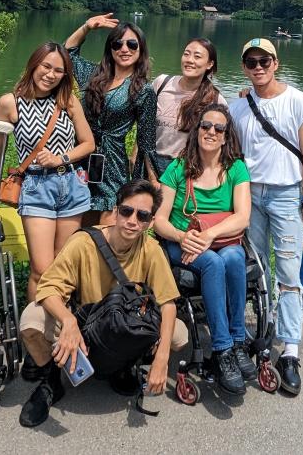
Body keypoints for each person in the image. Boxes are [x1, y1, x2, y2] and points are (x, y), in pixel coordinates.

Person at [18, 180, 188, 428]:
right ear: (116, 210)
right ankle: (51, 379)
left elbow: (168, 303)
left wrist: (162, 358)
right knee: (31, 319)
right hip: (86, 323)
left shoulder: (151, 249)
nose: (132, 221)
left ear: (151, 222)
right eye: (127, 211)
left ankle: (123, 366)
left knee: (178, 334)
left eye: (142, 216)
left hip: (125, 324)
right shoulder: (84, 243)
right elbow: (49, 287)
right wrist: (68, 320)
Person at [227, 38, 303, 396]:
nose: (258, 67)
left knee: (289, 272)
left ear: (276, 62)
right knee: (256, 269)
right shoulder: (238, 107)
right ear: (244, 67)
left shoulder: (297, 101)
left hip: (286, 194)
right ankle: (259, 335)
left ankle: (290, 351)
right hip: (249, 194)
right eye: (251, 62)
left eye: (264, 60)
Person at [152, 102, 252, 395]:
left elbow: (242, 216)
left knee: (233, 256)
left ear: (225, 136)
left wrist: (209, 235)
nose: (211, 132)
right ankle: (222, 349)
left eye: (218, 128)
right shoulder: (178, 167)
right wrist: (183, 238)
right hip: (180, 243)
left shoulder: (236, 169)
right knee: (213, 263)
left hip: (218, 240)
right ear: (197, 131)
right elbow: (159, 219)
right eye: (206, 126)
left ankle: (237, 340)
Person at [0, 42, 96, 301]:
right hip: (36, 187)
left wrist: (62, 157)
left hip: (71, 185)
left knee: (62, 267)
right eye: (46, 66)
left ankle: (61, 327)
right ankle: (36, 331)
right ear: (34, 64)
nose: (50, 75)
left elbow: (88, 143)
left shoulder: (68, 100)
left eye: (58, 70)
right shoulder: (10, 103)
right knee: (41, 269)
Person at [64, 13, 159, 224]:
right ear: (110, 48)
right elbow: (68, 53)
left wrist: (147, 182)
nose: (124, 49)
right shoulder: (93, 74)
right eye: (118, 44)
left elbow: (146, 141)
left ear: (140, 49)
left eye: (132, 44)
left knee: (108, 231)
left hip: (112, 164)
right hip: (80, 156)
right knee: (78, 229)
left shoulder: (143, 90)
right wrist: (87, 26)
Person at [151, 37, 226, 174]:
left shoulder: (215, 100)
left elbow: (221, 140)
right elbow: (144, 126)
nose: (190, 60)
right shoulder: (161, 84)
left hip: (186, 168)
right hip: (152, 164)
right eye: (186, 54)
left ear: (209, 64)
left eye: (197, 56)